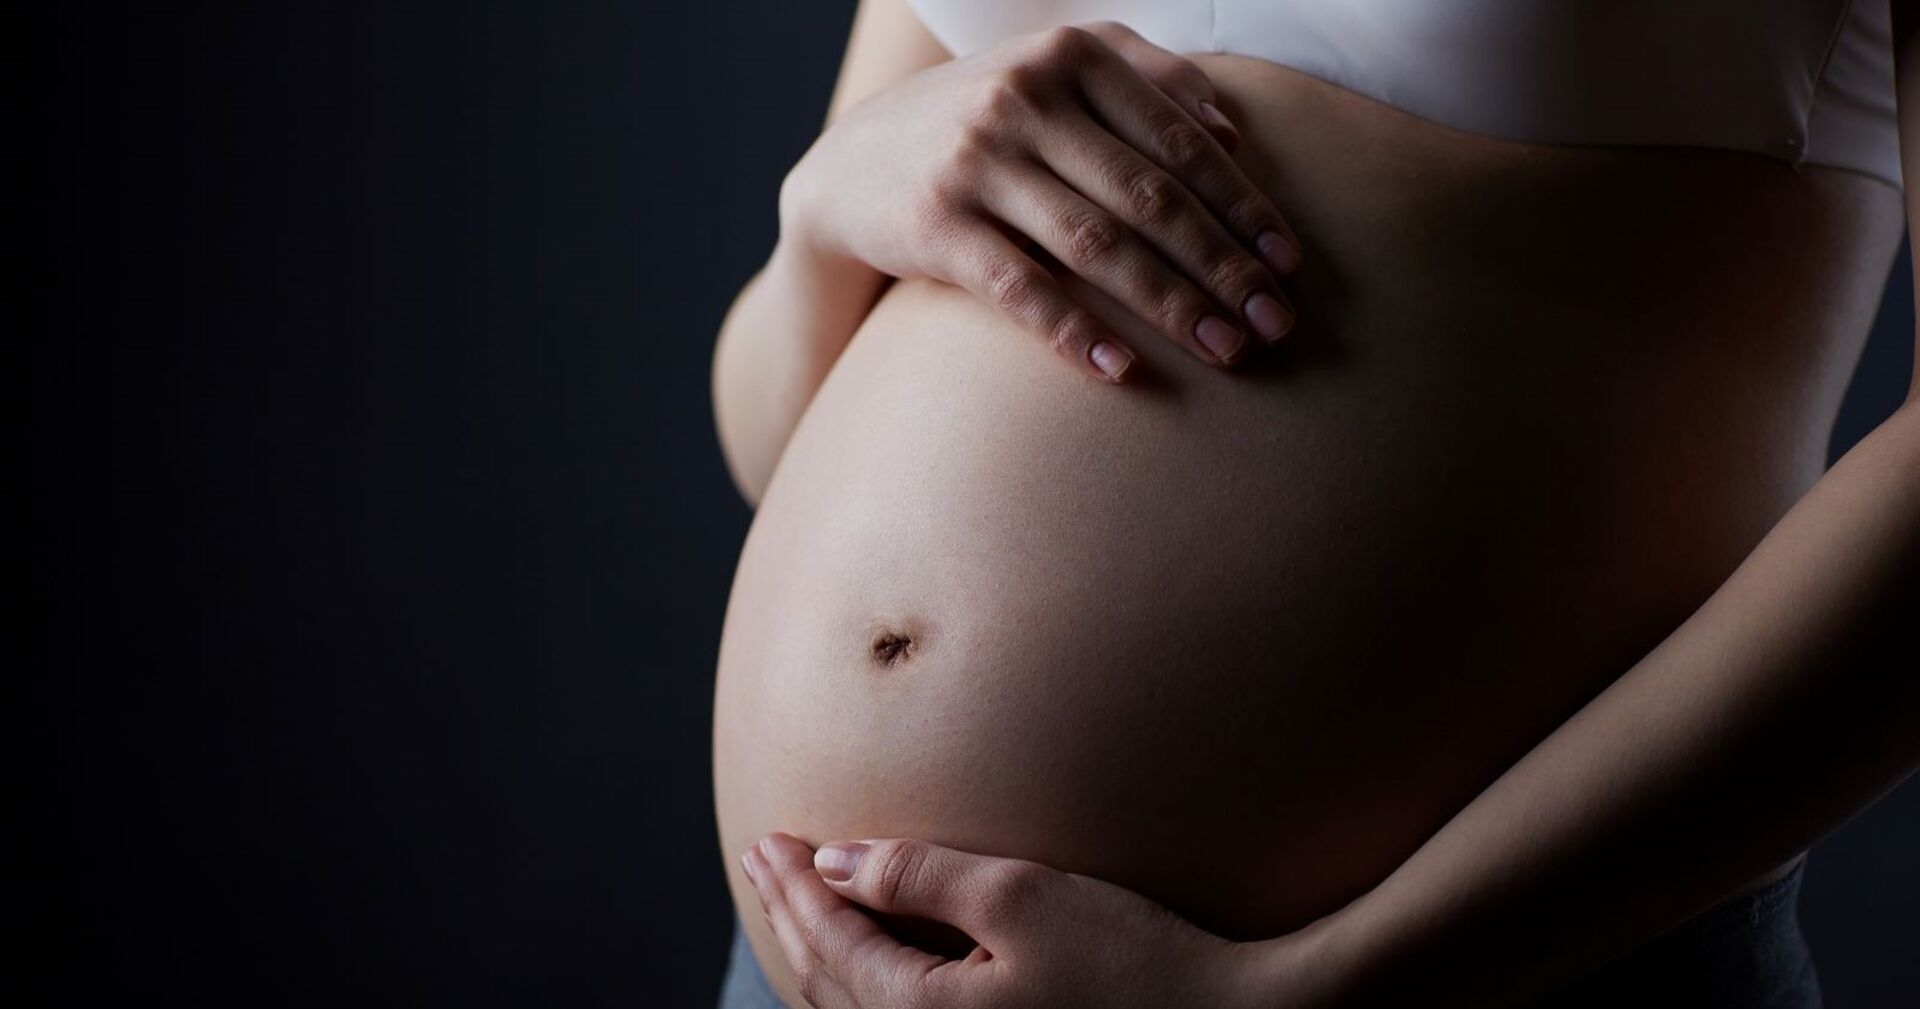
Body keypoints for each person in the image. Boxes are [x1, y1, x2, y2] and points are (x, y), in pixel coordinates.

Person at [708, 1, 1920, 1006]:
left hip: (1469, 969)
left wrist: (1303, 985)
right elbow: (774, 447)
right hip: (809, 954)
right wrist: (820, 213)